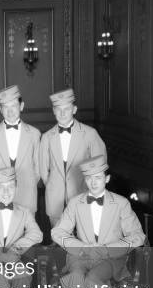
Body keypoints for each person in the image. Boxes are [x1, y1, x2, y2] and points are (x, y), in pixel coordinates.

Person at [51, 155, 145, 288]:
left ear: (107, 179)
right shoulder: (76, 202)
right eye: (89, 178)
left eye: (98, 177)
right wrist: (81, 246)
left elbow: (138, 236)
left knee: (93, 279)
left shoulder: (121, 204)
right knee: (75, 277)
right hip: (82, 256)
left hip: (110, 259)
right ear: (84, 180)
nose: (93, 182)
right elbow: (58, 233)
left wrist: (108, 248)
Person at [39, 88, 107, 226]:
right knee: (57, 237)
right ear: (53, 111)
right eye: (58, 109)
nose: (62, 113)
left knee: (82, 237)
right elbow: (43, 170)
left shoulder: (90, 134)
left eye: (67, 109)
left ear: (74, 109)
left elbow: (100, 165)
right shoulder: (46, 137)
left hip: (82, 193)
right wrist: (54, 185)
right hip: (55, 198)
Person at [0, 85, 41, 214]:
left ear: (21, 106)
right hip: (0, 194)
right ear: (0, 109)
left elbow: (38, 166)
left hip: (27, 194)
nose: (10, 111)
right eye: (5, 107)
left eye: (14, 106)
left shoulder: (34, 133)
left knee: (28, 231)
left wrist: (28, 183)